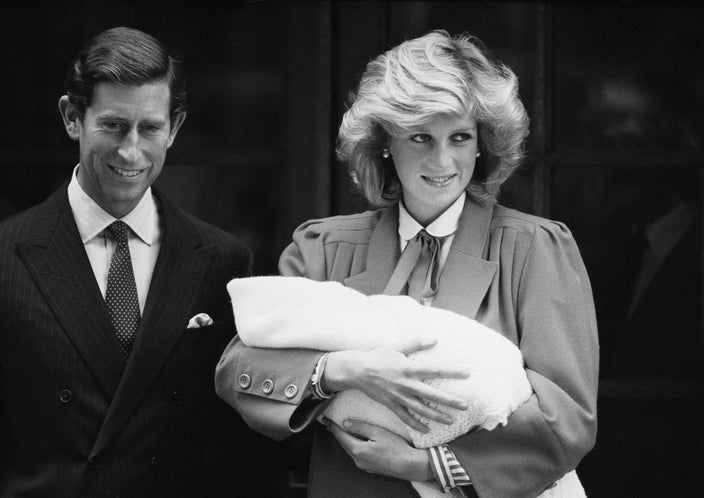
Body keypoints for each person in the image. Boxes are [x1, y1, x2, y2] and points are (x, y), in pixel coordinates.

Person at [216, 30, 598, 497]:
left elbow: (568, 418)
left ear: (482, 144)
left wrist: (425, 463)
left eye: (460, 137)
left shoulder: (535, 248)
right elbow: (238, 371)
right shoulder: (323, 246)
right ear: (383, 142)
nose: (443, 160)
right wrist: (344, 371)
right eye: (421, 137)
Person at [0, 27, 271, 497]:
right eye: (114, 125)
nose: (131, 150)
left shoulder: (223, 259)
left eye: (150, 128)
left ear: (174, 127)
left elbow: (240, 447)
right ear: (72, 117)